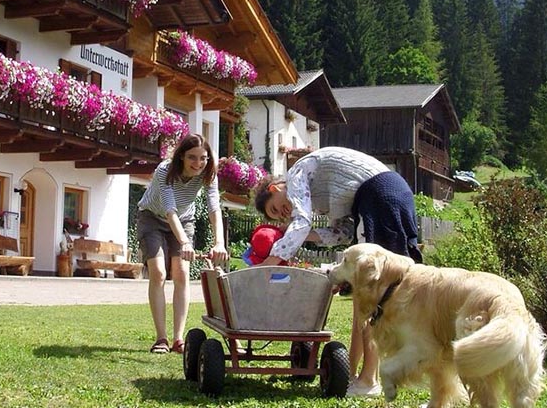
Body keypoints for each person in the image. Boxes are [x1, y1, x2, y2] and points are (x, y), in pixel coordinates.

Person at [252, 146, 421, 397]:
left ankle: (368, 380)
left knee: (372, 299)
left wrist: (270, 263)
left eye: (275, 208)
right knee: (362, 300)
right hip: (391, 193)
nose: (281, 214)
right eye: (275, 217)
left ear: (274, 189)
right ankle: (352, 374)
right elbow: (341, 232)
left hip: (378, 196)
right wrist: (303, 236)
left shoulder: (296, 174)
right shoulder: (321, 197)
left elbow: (300, 222)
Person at [136, 133, 228, 354]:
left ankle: (178, 340)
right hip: (152, 217)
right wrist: (185, 242)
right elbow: (169, 211)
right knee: (158, 272)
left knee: (181, 273)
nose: (198, 163)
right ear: (181, 158)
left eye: (203, 158)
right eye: (192, 157)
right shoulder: (165, 171)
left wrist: (219, 242)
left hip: (185, 219)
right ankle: (161, 339)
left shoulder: (209, 174)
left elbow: (214, 209)